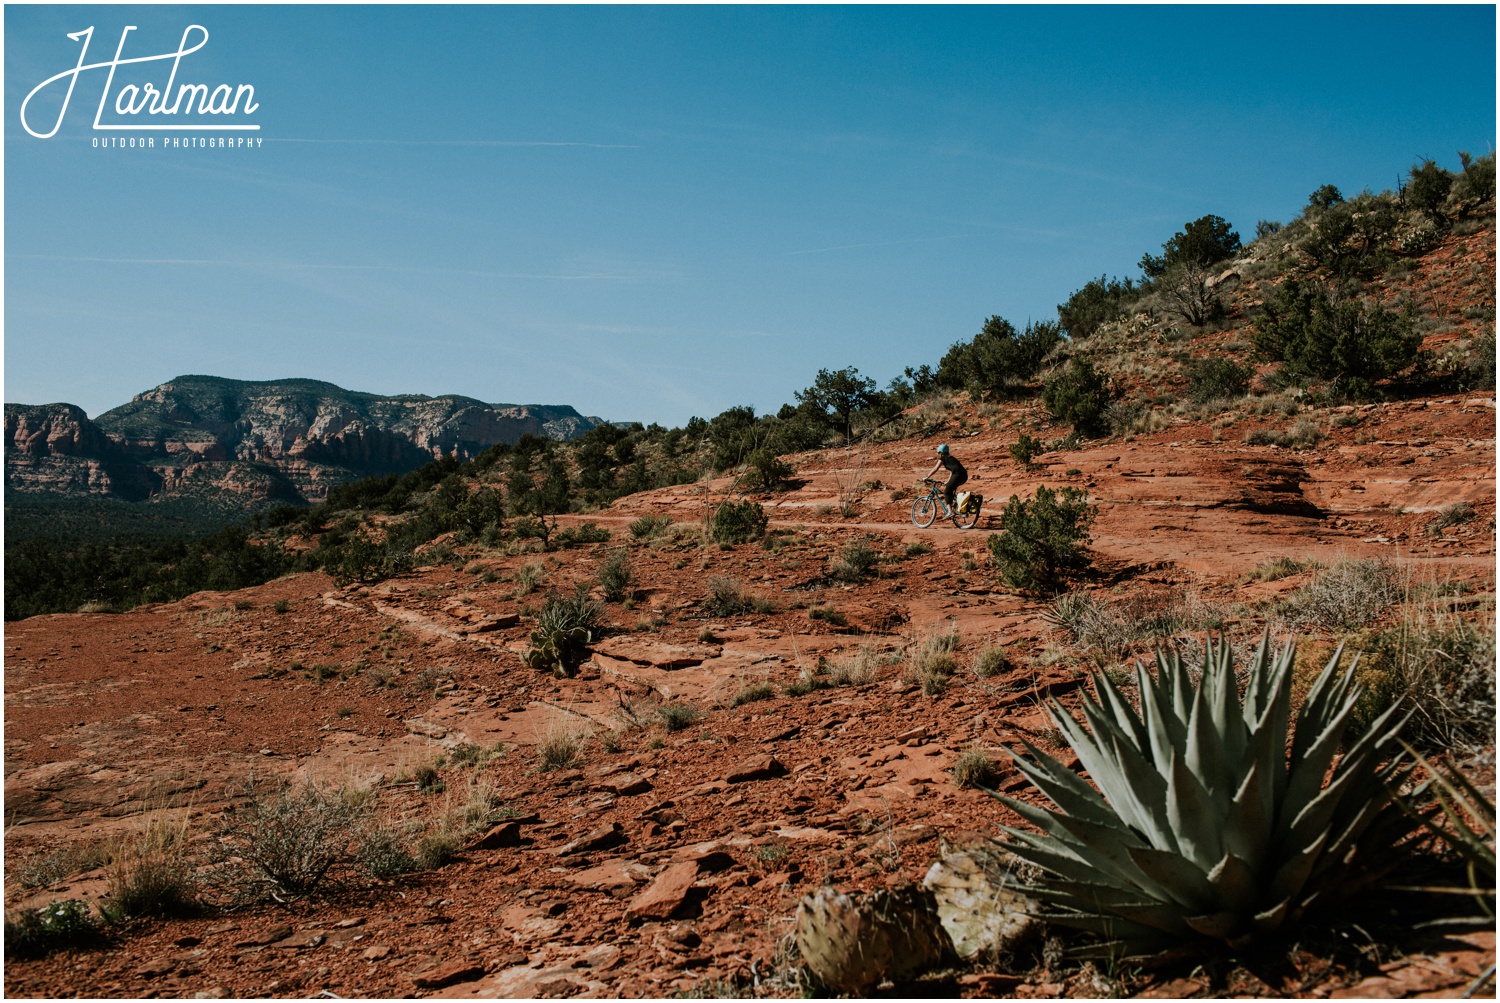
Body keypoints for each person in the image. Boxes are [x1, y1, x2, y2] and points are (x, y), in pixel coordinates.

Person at [925, 444, 967, 513]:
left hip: (958, 475)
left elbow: (935, 468)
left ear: (941, 452)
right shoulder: (952, 458)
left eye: (939, 453)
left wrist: (927, 477)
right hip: (964, 476)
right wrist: (947, 481)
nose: (939, 455)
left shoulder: (943, 458)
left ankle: (950, 512)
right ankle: (955, 506)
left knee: (946, 492)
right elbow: (952, 471)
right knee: (950, 490)